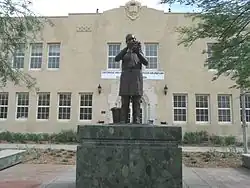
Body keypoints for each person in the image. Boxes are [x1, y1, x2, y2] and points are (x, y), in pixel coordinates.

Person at [115, 34, 148, 124]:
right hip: (126, 77)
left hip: (136, 77)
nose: (132, 41)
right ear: (126, 41)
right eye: (130, 39)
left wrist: (137, 52)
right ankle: (123, 119)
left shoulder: (138, 51)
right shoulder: (124, 52)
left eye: (133, 39)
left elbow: (146, 62)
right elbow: (116, 59)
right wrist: (127, 49)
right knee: (125, 101)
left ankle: (136, 119)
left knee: (136, 101)